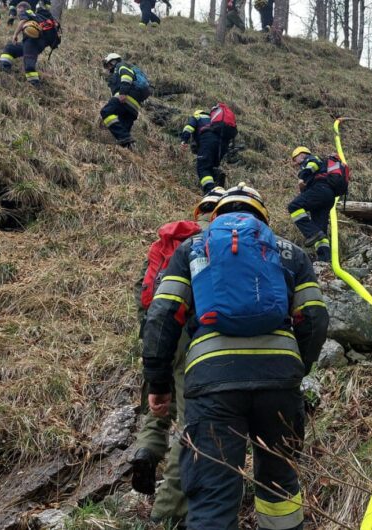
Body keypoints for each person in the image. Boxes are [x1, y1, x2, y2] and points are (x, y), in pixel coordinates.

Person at [143, 183, 329, 530]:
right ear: (262, 215)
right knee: (280, 487)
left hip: (211, 382)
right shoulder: (288, 252)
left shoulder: (192, 248)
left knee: (213, 495)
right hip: (279, 380)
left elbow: (162, 314)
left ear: (216, 216)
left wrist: (158, 381)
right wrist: (297, 366)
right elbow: (316, 318)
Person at [129, 190, 225, 527]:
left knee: (158, 402)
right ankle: (168, 510)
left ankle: (146, 450)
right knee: (189, 425)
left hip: (159, 332)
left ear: (198, 210)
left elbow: (145, 296)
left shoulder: (169, 241)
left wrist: (152, 348)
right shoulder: (217, 241)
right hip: (194, 337)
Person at [287, 147, 349, 263]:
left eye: (294, 159)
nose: (294, 164)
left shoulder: (311, 158)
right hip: (328, 197)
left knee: (294, 207)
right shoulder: (323, 167)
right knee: (321, 231)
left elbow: (312, 165)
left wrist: (302, 176)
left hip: (321, 190)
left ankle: (312, 233)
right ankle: (324, 260)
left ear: (301, 155)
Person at [0, 1, 60, 88]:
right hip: (39, 44)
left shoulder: (26, 12)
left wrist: (15, 35)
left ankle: (35, 86)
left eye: (18, 10)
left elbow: (23, 21)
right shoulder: (37, 16)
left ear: (21, 8)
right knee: (10, 48)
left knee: (29, 65)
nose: (18, 13)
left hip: (32, 43)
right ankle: (4, 66)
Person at [100, 53, 150, 148]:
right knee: (124, 137)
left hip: (124, 99)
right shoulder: (120, 70)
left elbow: (127, 77)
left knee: (105, 112)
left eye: (108, 64)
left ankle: (125, 139)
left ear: (113, 61)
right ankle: (128, 150)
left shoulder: (120, 66)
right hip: (133, 107)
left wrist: (123, 93)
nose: (108, 68)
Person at [180, 106, 234, 193]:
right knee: (211, 166)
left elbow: (189, 127)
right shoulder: (213, 120)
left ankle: (210, 191)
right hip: (223, 144)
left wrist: (184, 140)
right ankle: (218, 181)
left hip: (208, 141)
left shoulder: (197, 116)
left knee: (203, 168)